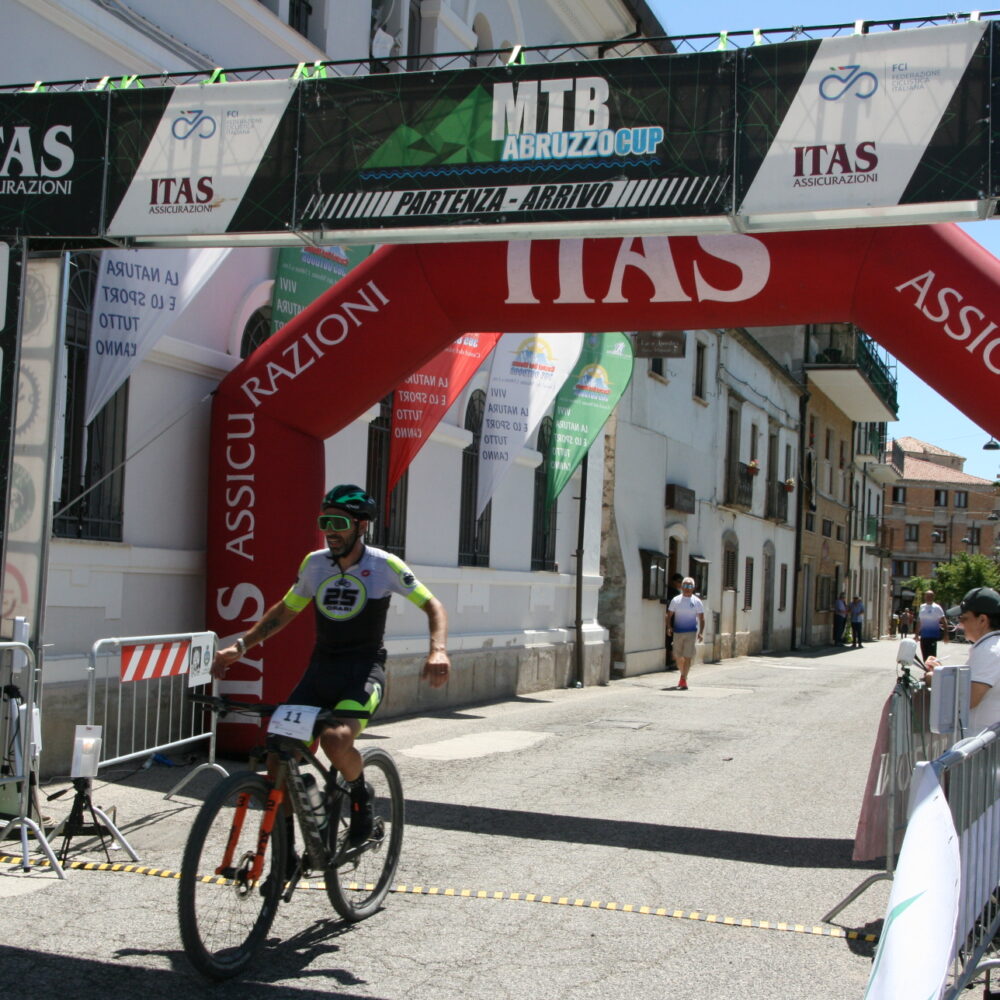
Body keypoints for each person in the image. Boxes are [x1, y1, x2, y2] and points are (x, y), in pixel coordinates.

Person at [213, 484, 451, 850]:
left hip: (363, 671)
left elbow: (433, 606)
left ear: (360, 526)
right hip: (320, 670)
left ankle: (360, 797)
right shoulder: (314, 563)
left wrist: (437, 651)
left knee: (335, 739)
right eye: (325, 521)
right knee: (279, 756)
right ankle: (288, 849)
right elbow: (286, 609)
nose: (330, 530)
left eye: (338, 522)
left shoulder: (384, 565)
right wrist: (242, 645)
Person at [925, 587, 1000, 732]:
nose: (960, 625)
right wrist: (942, 672)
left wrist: (935, 679)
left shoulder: (989, 650)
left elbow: (969, 698)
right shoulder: (991, 646)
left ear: (982, 620)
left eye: (963, 618)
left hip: (980, 745)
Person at [667, 577, 705, 691]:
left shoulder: (697, 601)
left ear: (693, 588)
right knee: (677, 656)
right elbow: (669, 615)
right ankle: (683, 673)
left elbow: (702, 618)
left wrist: (701, 632)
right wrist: (669, 627)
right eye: (685, 586)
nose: (687, 588)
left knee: (687, 656)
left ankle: (683, 678)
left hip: (691, 632)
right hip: (678, 632)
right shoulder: (676, 600)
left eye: (690, 586)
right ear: (682, 587)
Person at [917, 589, 949, 662]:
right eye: (927, 596)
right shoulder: (922, 607)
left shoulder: (937, 607)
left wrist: (946, 634)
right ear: (925, 597)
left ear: (933, 597)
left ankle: (933, 672)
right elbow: (919, 621)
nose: (928, 597)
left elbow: (944, 621)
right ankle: (927, 672)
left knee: (932, 657)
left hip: (932, 636)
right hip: (923, 636)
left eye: (930, 596)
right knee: (925, 657)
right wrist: (916, 635)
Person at [662, 573, 683, 671]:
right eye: (678, 582)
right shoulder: (674, 593)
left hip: (674, 620)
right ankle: (672, 661)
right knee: (671, 641)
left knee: (672, 641)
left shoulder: (675, 593)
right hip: (673, 620)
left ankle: (673, 661)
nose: (680, 584)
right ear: (674, 582)